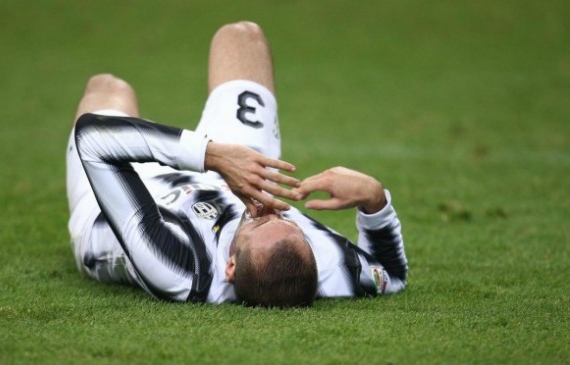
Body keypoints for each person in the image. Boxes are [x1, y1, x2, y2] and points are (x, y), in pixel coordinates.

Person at [66, 21, 408, 307]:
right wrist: (374, 199)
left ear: (231, 267)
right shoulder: (328, 266)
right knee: (242, 37)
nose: (270, 210)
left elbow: (94, 139)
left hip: (130, 200)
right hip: (229, 180)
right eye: (289, 222)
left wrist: (212, 155)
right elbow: (391, 276)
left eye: (258, 224)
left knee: (109, 87)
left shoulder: (179, 266)